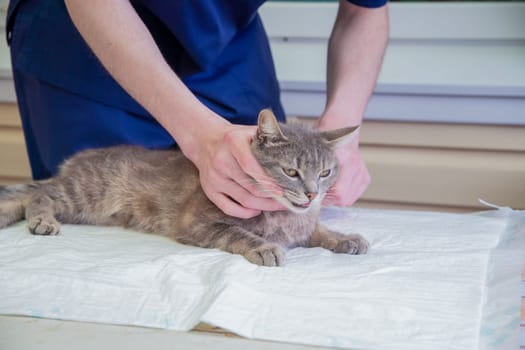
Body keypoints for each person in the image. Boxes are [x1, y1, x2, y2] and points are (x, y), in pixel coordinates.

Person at [6, 0, 389, 219]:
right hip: (91, 41)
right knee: (99, 213)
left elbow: (363, 11)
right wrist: (199, 134)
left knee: (254, 207)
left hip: (224, 39)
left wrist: (340, 133)